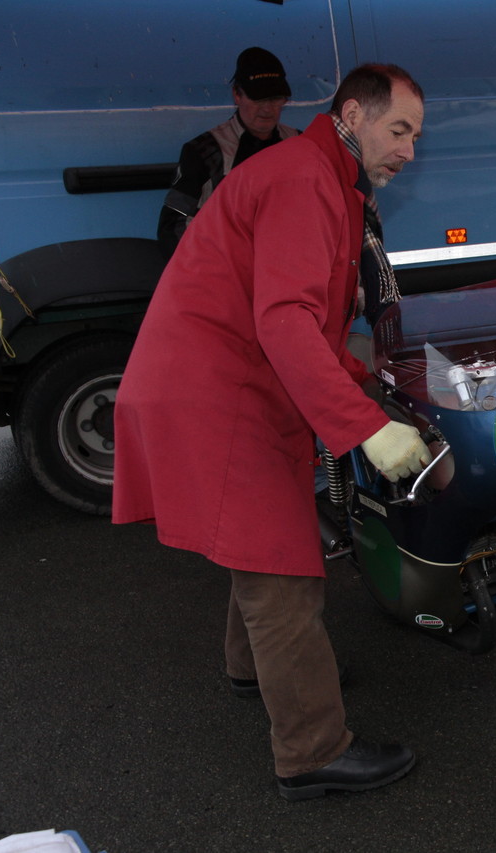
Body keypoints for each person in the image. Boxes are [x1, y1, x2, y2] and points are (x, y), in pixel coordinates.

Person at [114, 64, 432, 801]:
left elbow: (309, 321)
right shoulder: (304, 180)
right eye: (399, 129)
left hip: (222, 380)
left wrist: (361, 388)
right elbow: (285, 317)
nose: (410, 149)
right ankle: (312, 751)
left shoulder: (319, 171)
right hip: (217, 392)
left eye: (416, 134)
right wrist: (365, 429)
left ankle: (251, 668)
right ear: (352, 114)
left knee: (255, 537)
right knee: (283, 570)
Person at [157, 46, 301, 258]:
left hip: (288, 269)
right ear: (237, 95)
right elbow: (173, 224)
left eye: (275, 99)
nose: (267, 109)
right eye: (258, 99)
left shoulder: (301, 145)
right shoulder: (205, 152)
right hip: (227, 274)